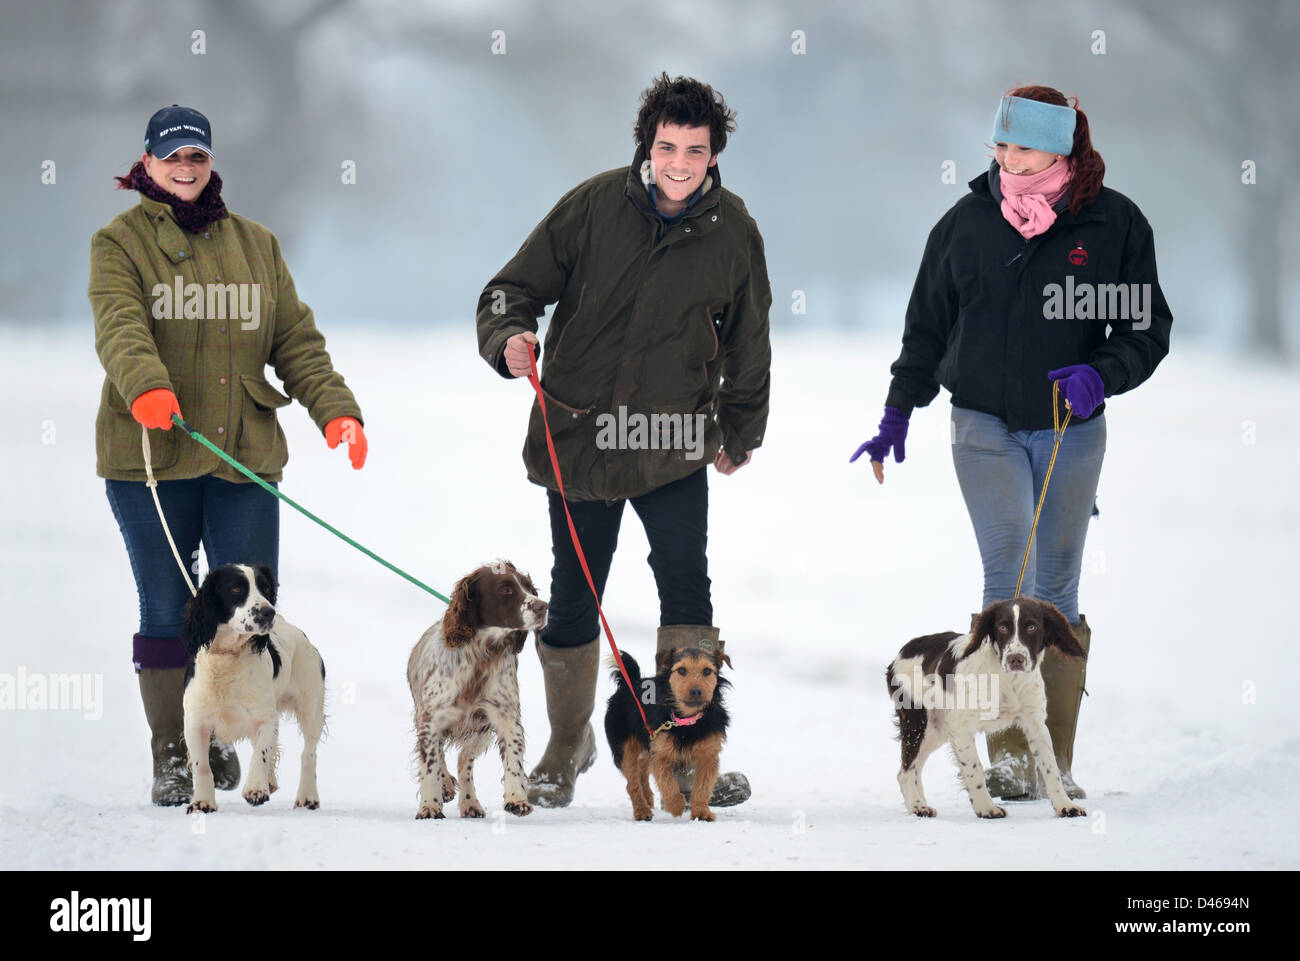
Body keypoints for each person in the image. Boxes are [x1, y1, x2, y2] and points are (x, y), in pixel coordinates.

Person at [853, 86, 1171, 800]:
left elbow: (1148, 329)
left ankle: (1045, 760)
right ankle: (1002, 757)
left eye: (1021, 146)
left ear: (1060, 147)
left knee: (1055, 591)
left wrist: (1102, 373)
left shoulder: (1114, 225)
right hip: (983, 422)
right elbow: (927, 331)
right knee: (1009, 577)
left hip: (1071, 427)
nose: (1005, 158)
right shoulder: (966, 226)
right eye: (998, 144)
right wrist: (898, 412)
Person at [476, 74, 771, 808]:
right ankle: (567, 744)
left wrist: (742, 430)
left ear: (714, 153)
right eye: (667, 146)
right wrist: (510, 334)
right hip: (580, 438)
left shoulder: (733, 230)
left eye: (694, 150)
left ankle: (684, 757)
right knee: (575, 597)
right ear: (647, 144)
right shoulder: (594, 206)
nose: (679, 163)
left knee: (686, 588)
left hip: (674, 442)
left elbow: (751, 342)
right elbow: (511, 288)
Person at [90, 105, 368, 805]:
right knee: (168, 606)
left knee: (255, 610)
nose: (186, 167)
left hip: (242, 455)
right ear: (148, 164)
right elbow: (120, 325)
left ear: (211, 163)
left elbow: (295, 340)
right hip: (150, 453)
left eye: (198, 157)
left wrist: (335, 409)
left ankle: (237, 743)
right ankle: (176, 754)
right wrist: (147, 385)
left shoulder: (256, 244)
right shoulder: (117, 243)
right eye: (172, 156)